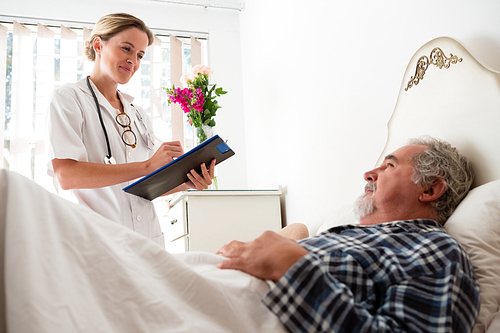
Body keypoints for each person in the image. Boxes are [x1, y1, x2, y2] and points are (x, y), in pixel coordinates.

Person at [217, 136, 480, 332]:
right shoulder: (348, 233)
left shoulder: (436, 251)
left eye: (389, 166)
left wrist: (293, 267)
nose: (368, 174)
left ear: (431, 189)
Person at [46, 13, 215, 248]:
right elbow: (66, 175)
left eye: (140, 55)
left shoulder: (138, 114)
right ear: (98, 45)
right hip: (100, 240)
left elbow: (143, 185)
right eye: (126, 49)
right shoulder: (69, 99)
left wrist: (188, 182)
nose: (133, 61)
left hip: (147, 239)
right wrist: (148, 165)